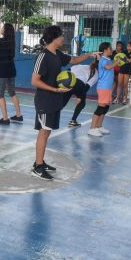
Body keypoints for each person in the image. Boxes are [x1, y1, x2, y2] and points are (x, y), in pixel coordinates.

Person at [31, 25, 98, 180]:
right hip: (45, 100)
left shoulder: (57, 54)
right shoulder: (43, 56)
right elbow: (34, 80)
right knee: (44, 132)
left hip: (55, 99)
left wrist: (89, 55)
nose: (63, 38)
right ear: (55, 38)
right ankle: (38, 166)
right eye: (61, 35)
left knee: (47, 132)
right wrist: (54, 90)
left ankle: (40, 163)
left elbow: (73, 60)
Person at [0, 23, 22, 125]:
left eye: (3, 27)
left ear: (5, 31)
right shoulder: (11, 42)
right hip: (11, 70)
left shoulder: (0, 41)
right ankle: (18, 115)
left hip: (2, 71)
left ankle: (5, 118)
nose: (1, 28)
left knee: (0, 94)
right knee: (12, 92)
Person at [88, 41, 116, 138]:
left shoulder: (108, 59)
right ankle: (92, 128)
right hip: (103, 87)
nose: (112, 50)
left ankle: (99, 126)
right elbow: (108, 67)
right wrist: (117, 61)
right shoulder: (103, 60)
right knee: (100, 108)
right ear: (105, 50)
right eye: (110, 48)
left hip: (107, 88)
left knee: (105, 107)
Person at [66, 63, 99, 128]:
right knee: (82, 103)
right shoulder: (96, 74)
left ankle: (49, 117)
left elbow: (68, 70)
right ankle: (73, 121)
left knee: (62, 103)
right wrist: (80, 97)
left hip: (68, 82)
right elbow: (86, 86)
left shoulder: (82, 65)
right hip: (79, 85)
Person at [114, 40, 131, 105]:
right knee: (119, 84)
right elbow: (119, 58)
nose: (128, 47)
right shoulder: (124, 52)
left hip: (128, 71)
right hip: (122, 69)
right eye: (127, 45)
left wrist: (126, 59)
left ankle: (125, 98)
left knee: (125, 85)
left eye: (129, 46)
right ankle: (117, 98)